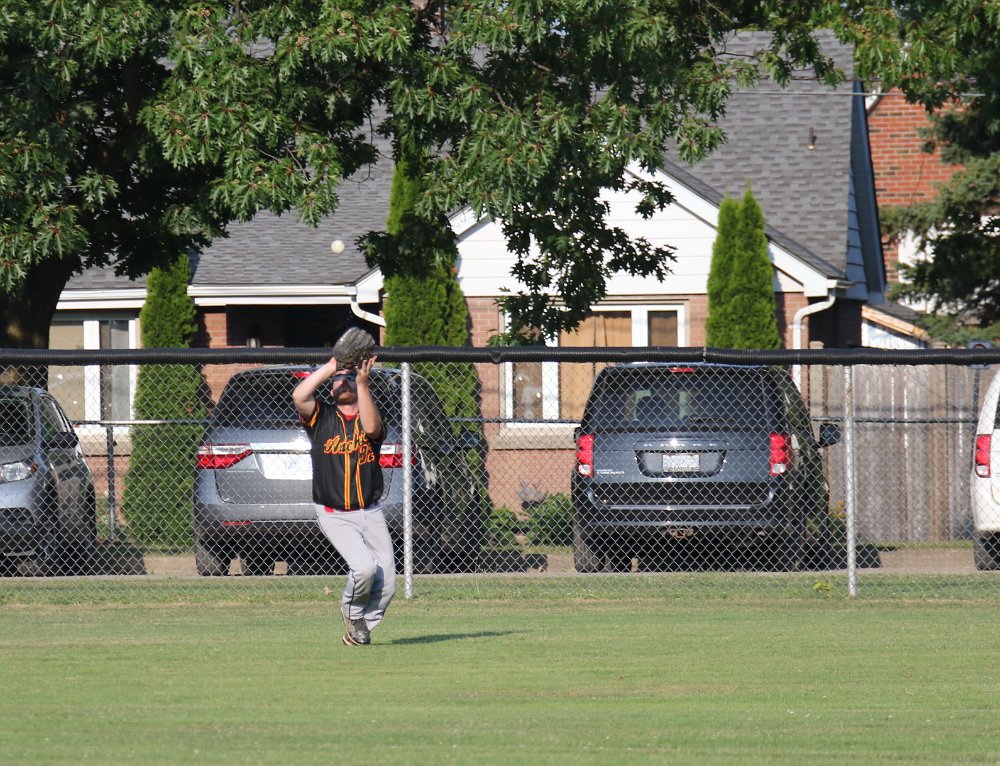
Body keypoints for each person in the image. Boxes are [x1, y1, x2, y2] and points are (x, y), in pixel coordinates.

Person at [292, 354, 395, 646]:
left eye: (349, 378)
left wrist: (362, 383)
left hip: (370, 511)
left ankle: (359, 629)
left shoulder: (370, 415)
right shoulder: (321, 417)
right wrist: (331, 367)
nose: (344, 382)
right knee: (364, 568)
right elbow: (299, 395)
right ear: (330, 388)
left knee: (387, 584)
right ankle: (352, 613)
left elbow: (372, 429)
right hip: (334, 513)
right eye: (339, 380)